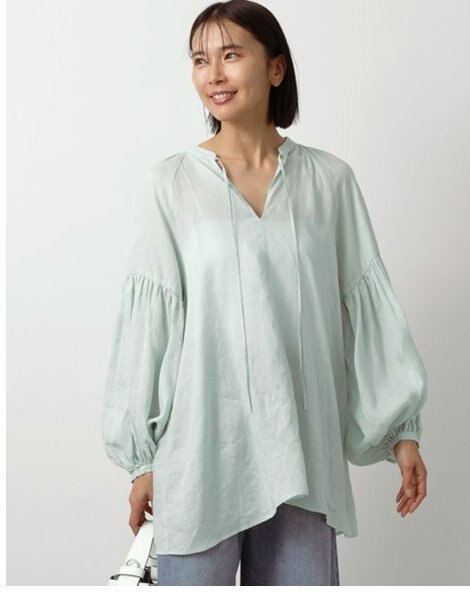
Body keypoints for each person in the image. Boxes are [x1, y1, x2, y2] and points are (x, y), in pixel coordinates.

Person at [101, 0, 429, 586]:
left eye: (231, 55)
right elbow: (150, 328)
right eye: (200, 60)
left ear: (276, 68)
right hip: (201, 455)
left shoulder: (329, 181)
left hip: (303, 456)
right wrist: (142, 460)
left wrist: (401, 432)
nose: (213, 74)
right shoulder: (170, 184)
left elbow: (364, 310)